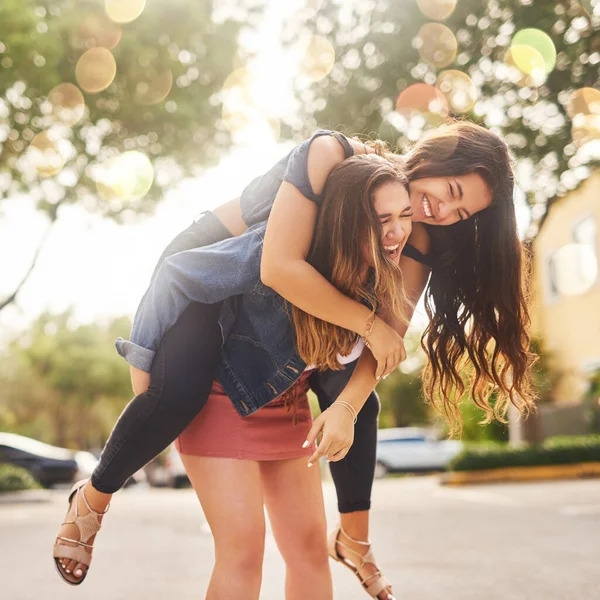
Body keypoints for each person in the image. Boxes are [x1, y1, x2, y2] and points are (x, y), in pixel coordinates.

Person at [53, 123, 536, 600]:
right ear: (431, 158)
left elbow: (385, 340)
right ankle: (94, 497)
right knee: (178, 398)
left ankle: (354, 540)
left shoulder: (415, 235)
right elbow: (279, 267)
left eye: (462, 211)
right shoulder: (331, 157)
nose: (445, 210)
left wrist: (346, 404)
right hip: (208, 280)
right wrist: (368, 326)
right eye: (450, 190)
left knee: (354, 417)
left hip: (284, 343)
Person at [55, 154, 413, 600]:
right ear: (347, 220)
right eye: (383, 220)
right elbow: (176, 274)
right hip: (221, 396)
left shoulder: (385, 274)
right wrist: (143, 366)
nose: (397, 232)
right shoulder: (282, 247)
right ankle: (90, 499)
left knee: (307, 551)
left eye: (405, 216)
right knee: (243, 554)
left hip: (288, 401)